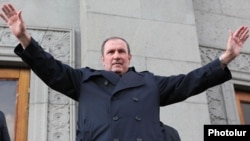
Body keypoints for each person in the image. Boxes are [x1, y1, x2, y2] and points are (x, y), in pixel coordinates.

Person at [0, 3, 249, 141]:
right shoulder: (85, 81)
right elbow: (50, 69)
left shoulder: (150, 83)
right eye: (111, 52)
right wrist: (24, 38)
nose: (116, 55)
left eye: (121, 51)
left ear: (129, 57)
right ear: (103, 59)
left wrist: (225, 57)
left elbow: (189, 82)